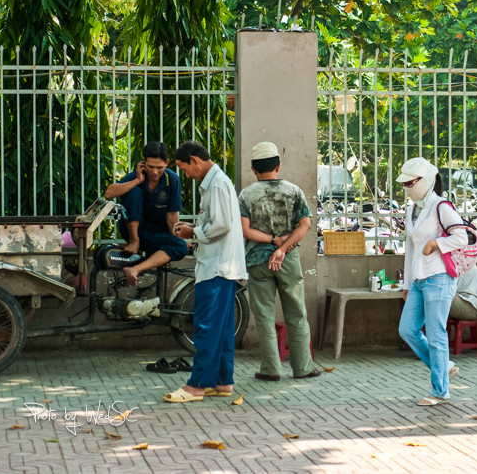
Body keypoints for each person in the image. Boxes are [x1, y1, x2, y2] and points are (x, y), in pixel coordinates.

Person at [161, 141, 247, 403]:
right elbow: (217, 221)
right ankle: (222, 381)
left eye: (183, 167)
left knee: (207, 327)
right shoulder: (216, 182)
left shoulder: (218, 184)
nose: (184, 174)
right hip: (222, 265)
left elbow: (220, 225)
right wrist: (195, 227)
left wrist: (193, 232)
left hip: (217, 267)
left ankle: (197, 385)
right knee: (220, 328)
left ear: (195, 160)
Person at [238, 141, 321, 381]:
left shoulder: (246, 194)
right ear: (278, 165)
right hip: (288, 260)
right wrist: (283, 248)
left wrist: (272, 241)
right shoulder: (293, 191)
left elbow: (245, 230)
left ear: (253, 168)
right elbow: (305, 225)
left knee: (264, 315)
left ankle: (270, 369)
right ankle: (303, 368)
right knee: (296, 313)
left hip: (257, 261)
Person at [397, 157, 469, 407]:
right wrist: (407, 284)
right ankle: (445, 366)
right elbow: (409, 248)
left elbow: (462, 237)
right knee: (407, 329)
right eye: (404, 182)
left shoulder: (442, 206)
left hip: (439, 277)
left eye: (411, 182)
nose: (407, 186)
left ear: (425, 180)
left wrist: (435, 243)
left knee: (437, 334)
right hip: (418, 279)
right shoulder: (411, 208)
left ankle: (440, 390)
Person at [103, 142, 187, 286]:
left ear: (167, 163)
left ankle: (135, 268)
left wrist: (177, 238)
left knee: (180, 246)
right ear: (143, 162)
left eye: (159, 167)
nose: (154, 172)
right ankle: (135, 242)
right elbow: (109, 193)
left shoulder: (172, 179)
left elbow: (171, 216)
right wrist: (137, 180)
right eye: (150, 167)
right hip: (132, 232)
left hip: (155, 233)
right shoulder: (135, 176)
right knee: (133, 191)